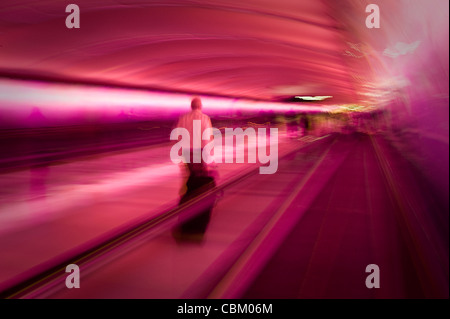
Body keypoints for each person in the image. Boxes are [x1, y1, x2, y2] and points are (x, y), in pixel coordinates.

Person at [172, 97, 217, 242]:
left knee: (190, 178)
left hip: (187, 152)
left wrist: (179, 154)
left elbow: (177, 136)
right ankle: (195, 208)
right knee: (199, 180)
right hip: (200, 152)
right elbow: (207, 138)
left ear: (191, 107)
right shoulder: (205, 118)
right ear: (200, 106)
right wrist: (209, 158)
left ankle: (186, 203)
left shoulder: (183, 118)